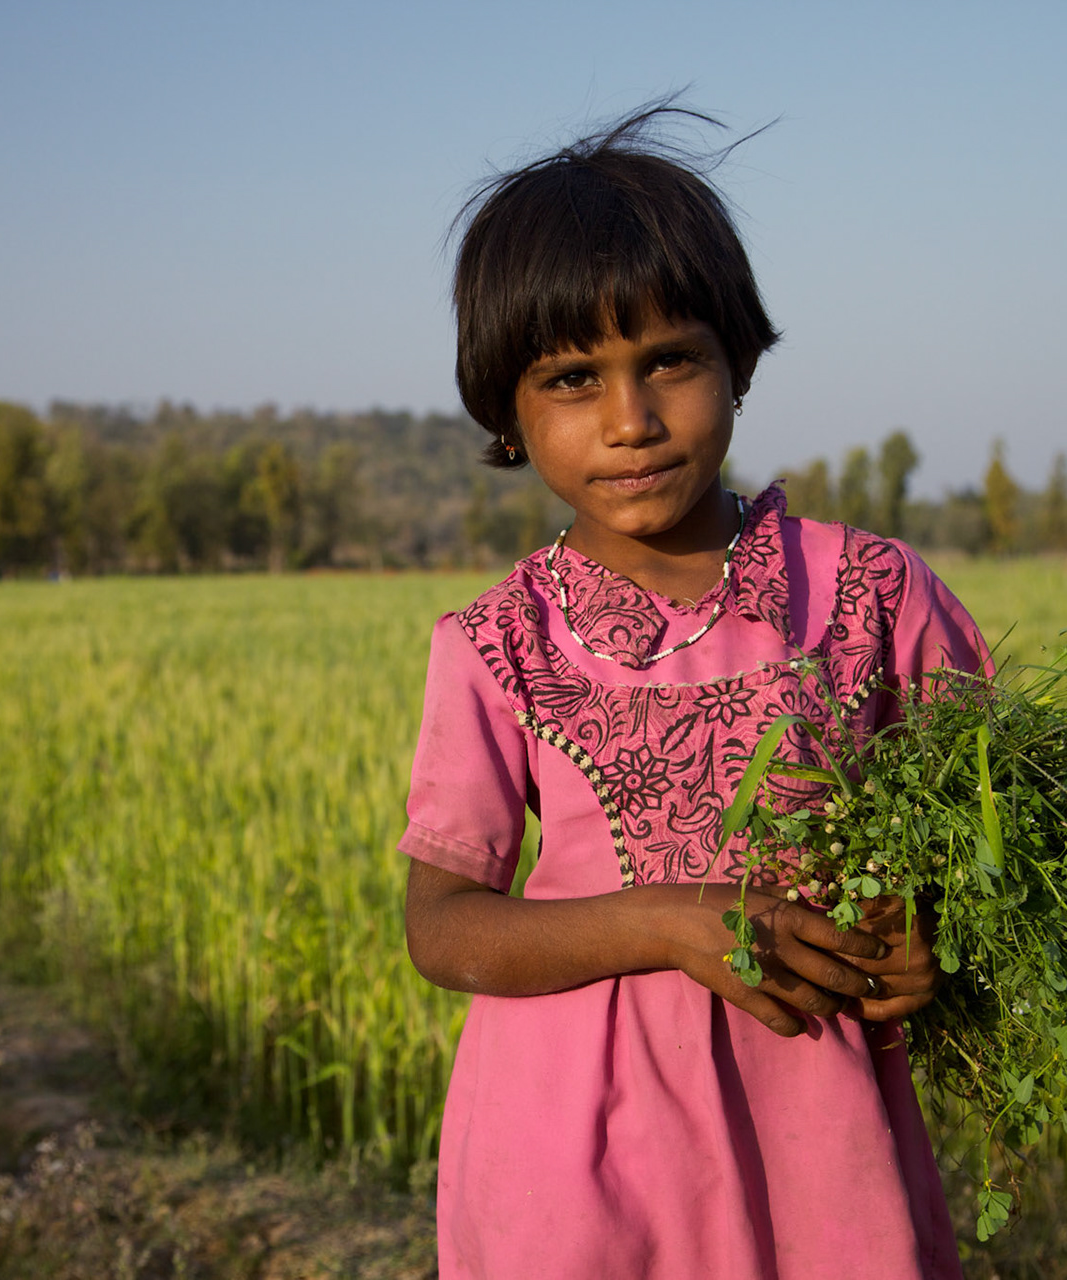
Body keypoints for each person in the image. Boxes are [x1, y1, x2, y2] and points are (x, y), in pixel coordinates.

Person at [400, 103, 990, 1280]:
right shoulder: (498, 643)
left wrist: (933, 935)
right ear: (507, 415)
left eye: (670, 358)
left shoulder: (870, 591)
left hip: (818, 1143)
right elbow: (442, 924)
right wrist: (667, 921)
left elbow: (984, 829)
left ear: (740, 360)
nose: (630, 419)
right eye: (573, 378)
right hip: (577, 1164)